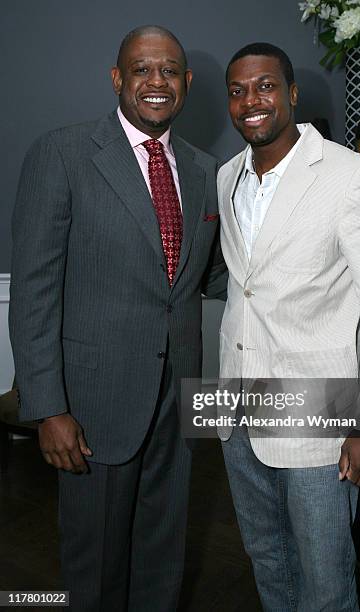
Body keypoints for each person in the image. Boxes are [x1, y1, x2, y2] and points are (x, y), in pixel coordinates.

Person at [9, 25, 226, 612]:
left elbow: (211, 277)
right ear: (118, 79)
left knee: (163, 554)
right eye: (142, 69)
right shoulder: (62, 153)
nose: (157, 82)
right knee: (94, 565)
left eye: (170, 71)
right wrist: (48, 407)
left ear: (186, 82)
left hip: (177, 399)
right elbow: (34, 290)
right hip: (92, 403)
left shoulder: (205, 169)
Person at [217, 42, 360, 611]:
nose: (251, 101)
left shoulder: (352, 177)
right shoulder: (228, 177)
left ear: (293, 93)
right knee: (268, 564)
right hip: (238, 414)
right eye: (237, 90)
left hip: (320, 424)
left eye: (265, 86)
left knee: (326, 586)